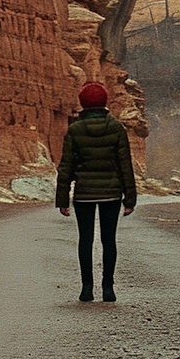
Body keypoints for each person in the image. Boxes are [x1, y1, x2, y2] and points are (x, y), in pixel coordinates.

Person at [56, 81, 136, 303]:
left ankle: (86, 289)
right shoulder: (116, 128)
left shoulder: (75, 130)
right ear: (105, 102)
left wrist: (62, 199)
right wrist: (130, 199)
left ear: (82, 103)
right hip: (111, 193)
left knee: (86, 240)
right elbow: (125, 165)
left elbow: (66, 167)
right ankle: (108, 289)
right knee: (109, 240)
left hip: (83, 194)